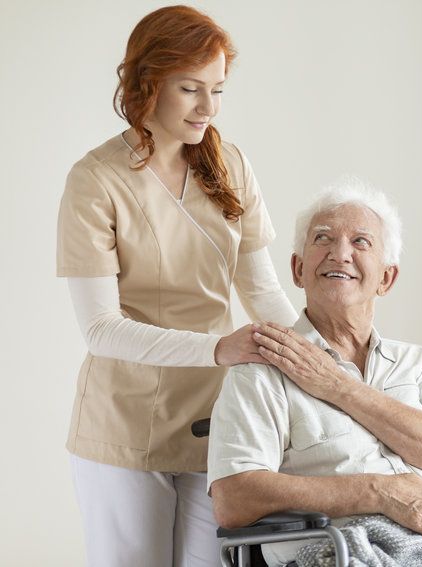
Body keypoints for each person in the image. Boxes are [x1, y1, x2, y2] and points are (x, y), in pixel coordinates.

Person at [56, 6, 298, 566]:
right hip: (124, 423)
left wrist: (325, 361)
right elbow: (100, 329)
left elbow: (264, 294)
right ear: (147, 84)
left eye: (217, 90)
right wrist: (219, 347)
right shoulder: (96, 181)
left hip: (217, 421)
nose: (208, 109)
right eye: (191, 89)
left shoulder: (229, 165)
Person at [207, 179, 422, 566]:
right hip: (338, 552)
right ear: (298, 269)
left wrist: (339, 387)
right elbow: (233, 498)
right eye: (323, 238)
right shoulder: (262, 369)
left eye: (361, 242)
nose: (340, 254)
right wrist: (377, 492)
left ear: (386, 278)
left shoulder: (417, 364)